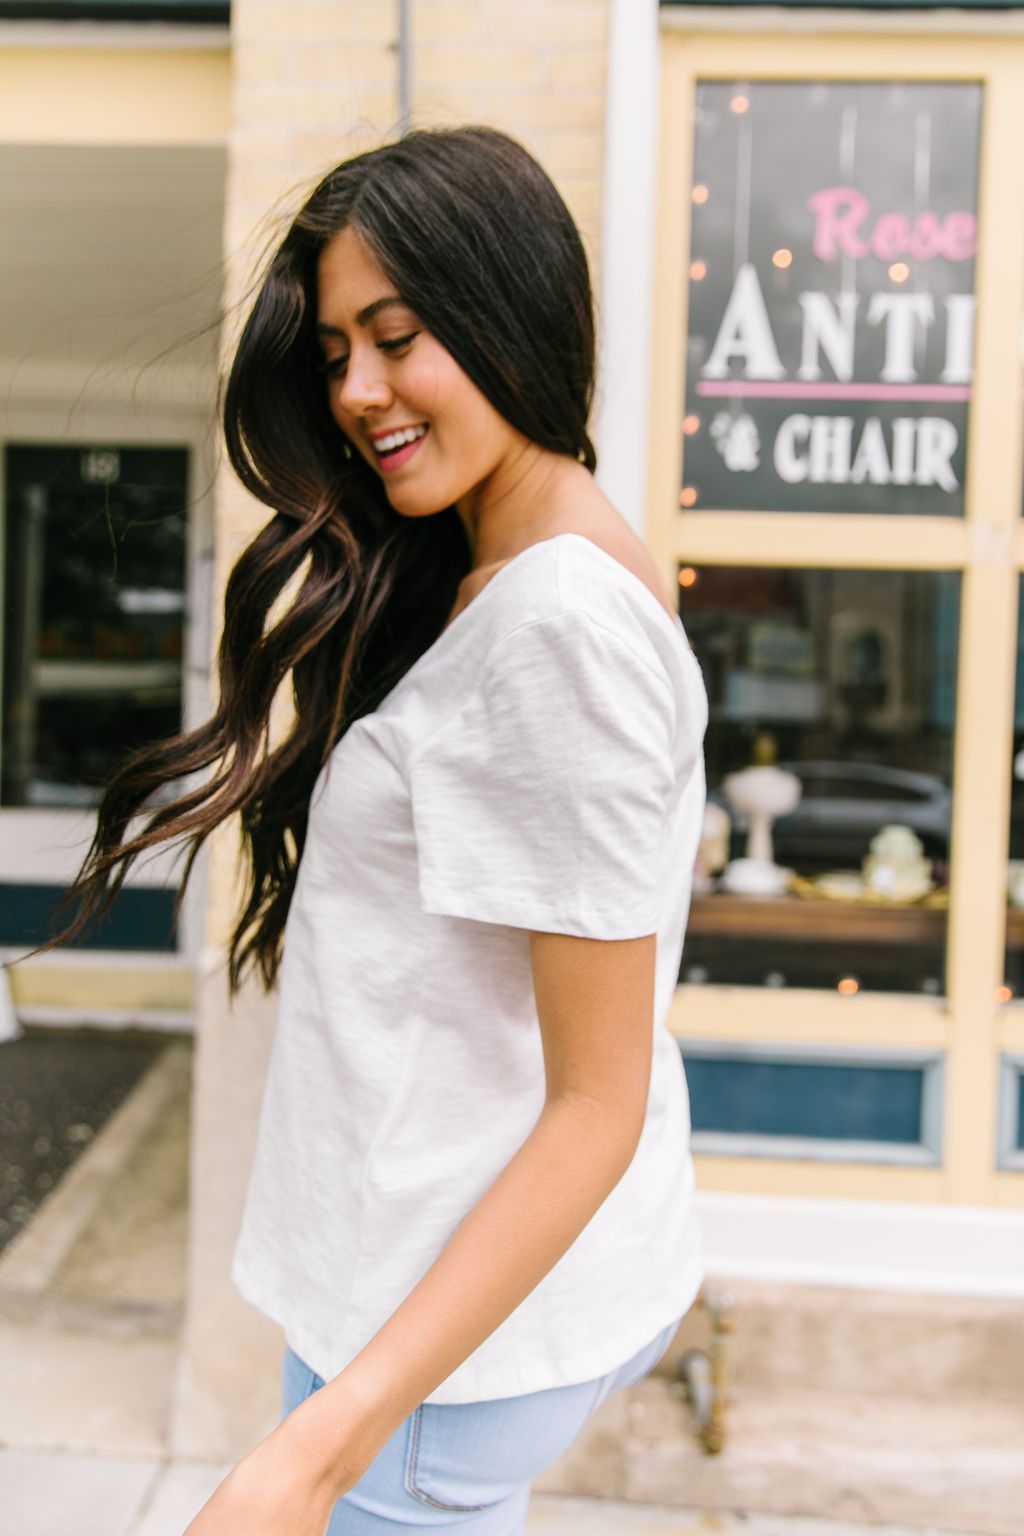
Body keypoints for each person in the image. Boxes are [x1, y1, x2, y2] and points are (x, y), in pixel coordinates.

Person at [25, 124, 709, 1534]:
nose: (355, 391)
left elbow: (598, 1101)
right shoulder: (518, 558)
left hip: (421, 1349)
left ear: (510, 312)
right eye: (337, 349)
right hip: (435, 1300)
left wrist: (317, 1452)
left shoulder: (554, 622)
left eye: (395, 338)